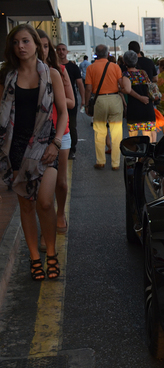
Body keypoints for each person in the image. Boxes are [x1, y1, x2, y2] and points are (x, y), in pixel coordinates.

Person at [0, 24, 67, 280]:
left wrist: (56, 142)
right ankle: (35, 258)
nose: (21, 46)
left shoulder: (51, 74)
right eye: (16, 42)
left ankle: (51, 252)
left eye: (26, 41)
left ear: (36, 45)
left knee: (45, 201)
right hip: (15, 148)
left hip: (46, 146)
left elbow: (62, 111)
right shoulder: (7, 77)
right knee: (26, 205)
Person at [36, 33, 74, 245]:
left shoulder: (58, 71)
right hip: (35, 136)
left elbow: (70, 103)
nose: (41, 50)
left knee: (60, 181)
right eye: (37, 45)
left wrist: (52, 100)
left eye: (44, 46)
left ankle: (60, 214)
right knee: (42, 187)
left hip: (60, 131)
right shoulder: (22, 74)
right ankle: (46, 227)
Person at [84, 44, 124, 170]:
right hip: (114, 99)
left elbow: (88, 88)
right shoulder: (115, 67)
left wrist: (86, 104)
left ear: (96, 54)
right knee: (116, 132)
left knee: (99, 132)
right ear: (108, 54)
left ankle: (100, 161)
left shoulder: (91, 68)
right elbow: (122, 85)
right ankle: (116, 163)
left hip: (99, 100)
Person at [119, 50, 157, 141]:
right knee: (147, 136)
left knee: (133, 137)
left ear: (125, 62)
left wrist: (120, 89)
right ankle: (147, 154)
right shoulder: (143, 73)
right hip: (147, 108)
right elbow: (150, 87)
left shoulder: (126, 75)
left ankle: (135, 154)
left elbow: (128, 90)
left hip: (134, 109)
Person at [56, 43, 85, 161]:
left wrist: (83, 100)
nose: (61, 51)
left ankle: (72, 149)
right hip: (56, 102)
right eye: (59, 49)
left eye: (63, 49)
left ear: (67, 52)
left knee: (72, 126)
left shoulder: (73, 67)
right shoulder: (53, 66)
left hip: (70, 101)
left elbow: (79, 84)